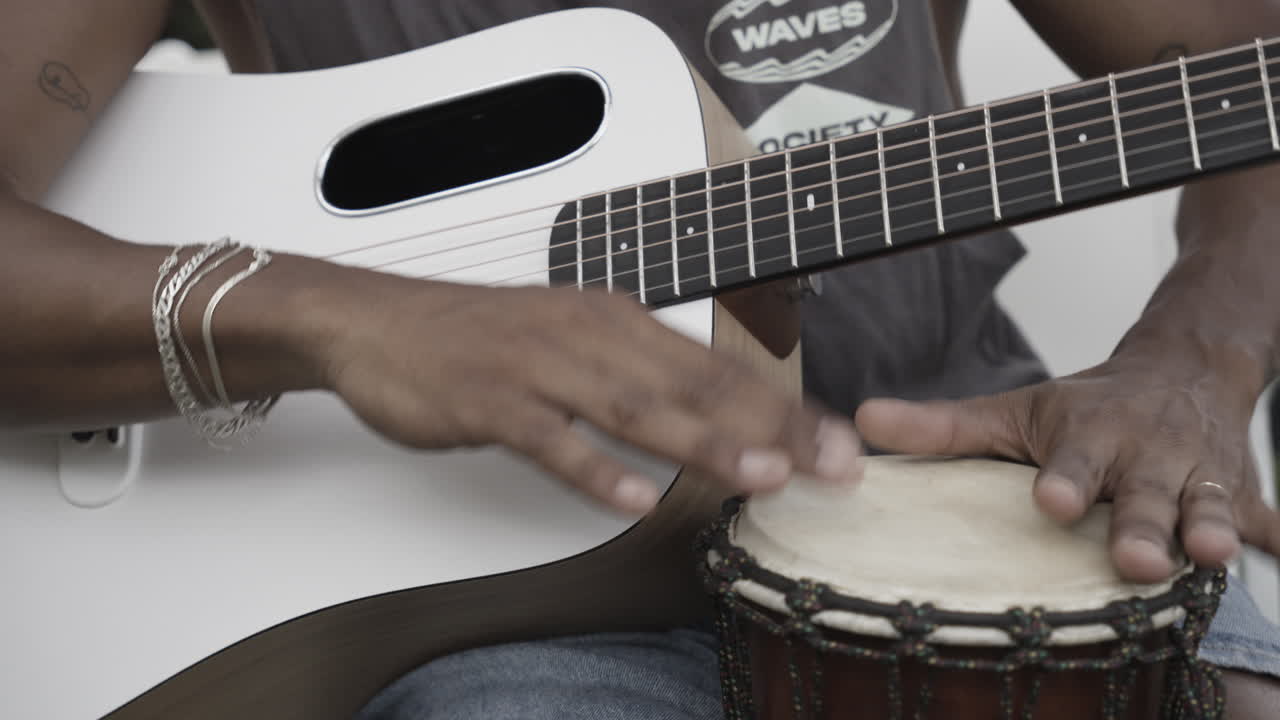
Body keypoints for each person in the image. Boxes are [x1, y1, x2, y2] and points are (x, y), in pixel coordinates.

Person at [1, 0, 1279, 717]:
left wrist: (1194, 355)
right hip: (492, 604)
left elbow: (1241, 82)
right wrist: (342, 318)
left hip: (993, 500)